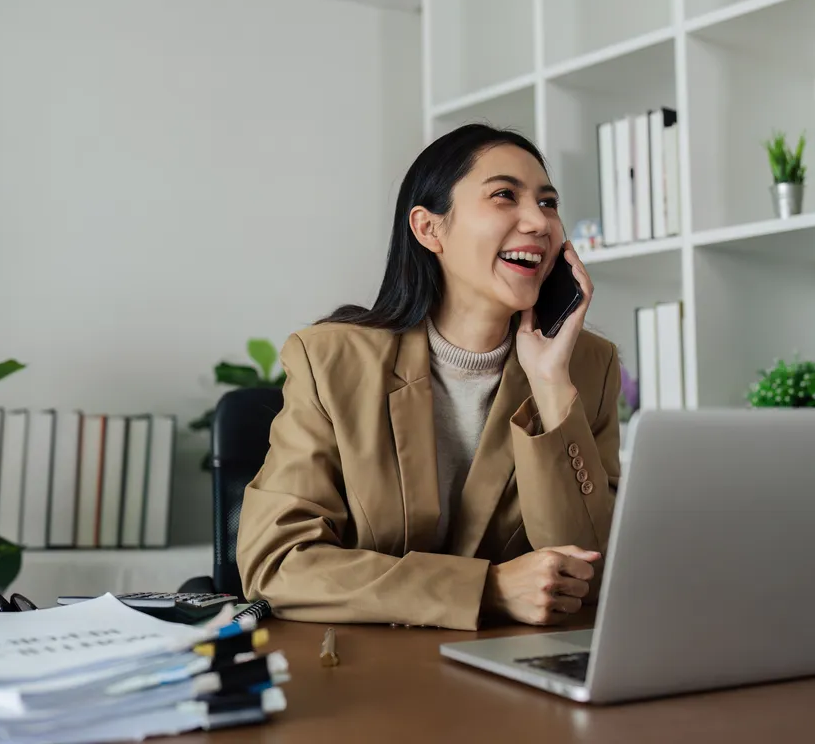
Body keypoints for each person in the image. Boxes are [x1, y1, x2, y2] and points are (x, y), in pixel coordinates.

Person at [236, 123, 621, 631]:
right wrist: (488, 589)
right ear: (428, 229)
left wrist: (550, 385)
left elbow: (594, 574)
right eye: (505, 195)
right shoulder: (329, 360)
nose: (539, 222)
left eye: (548, 203)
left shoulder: (587, 368)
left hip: (516, 671)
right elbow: (278, 564)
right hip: (364, 670)